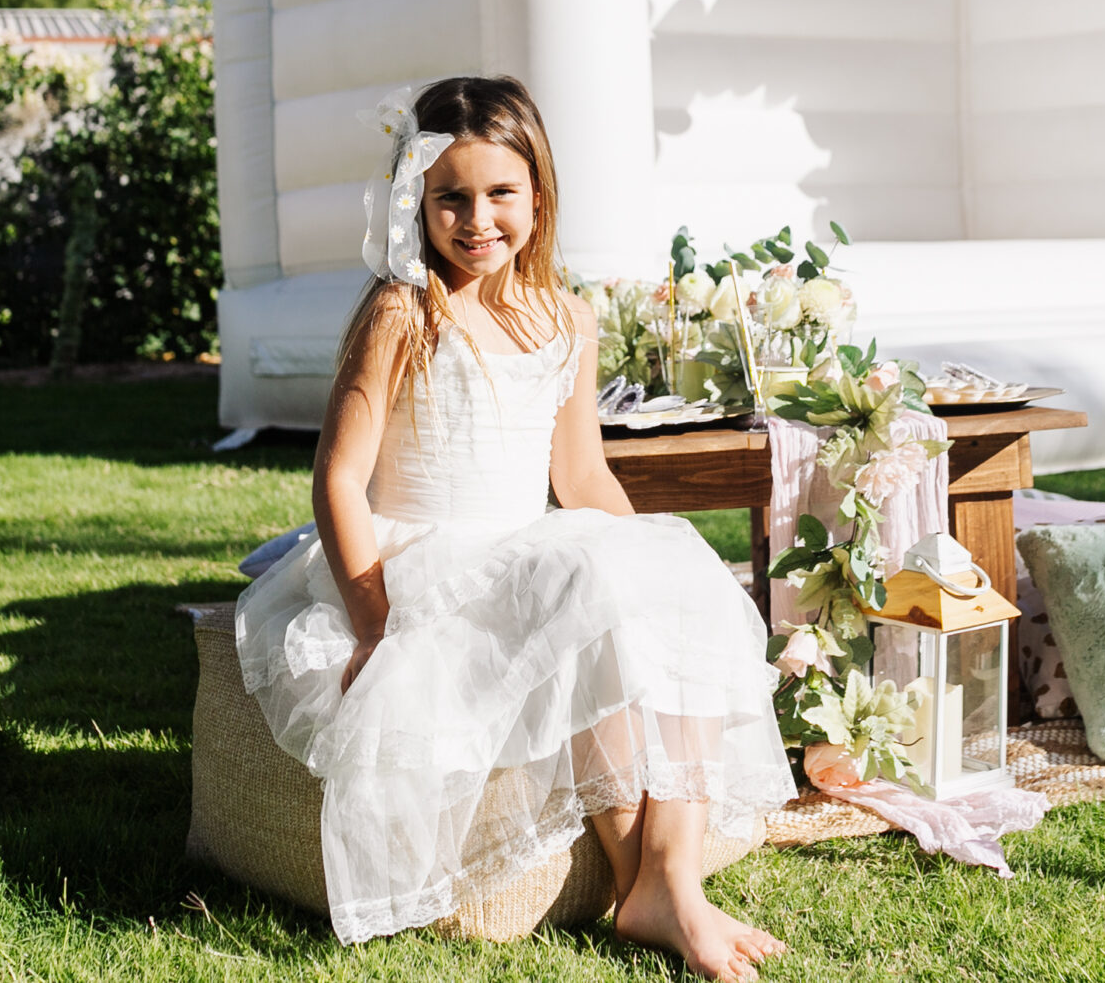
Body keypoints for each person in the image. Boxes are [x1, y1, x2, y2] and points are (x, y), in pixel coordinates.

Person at [238, 76, 793, 979]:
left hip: (525, 544)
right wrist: (373, 618)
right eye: (450, 197)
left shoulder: (566, 318)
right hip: (424, 558)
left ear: (539, 193)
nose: (476, 218)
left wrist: (657, 566)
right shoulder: (401, 311)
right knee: (586, 590)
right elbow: (338, 477)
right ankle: (643, 879)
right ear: (415, 201)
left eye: (501, 193)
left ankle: (670, 875)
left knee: (669, 574)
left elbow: (579, 475)